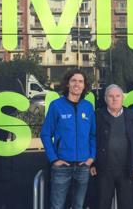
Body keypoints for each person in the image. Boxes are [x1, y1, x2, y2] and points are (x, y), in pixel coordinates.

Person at [40, 69, 96, 209]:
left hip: (83, 165)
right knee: (57, 206)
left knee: (79, 205)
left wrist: (91, 158)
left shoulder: (88, 107)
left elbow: (93, 135)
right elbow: (46, 134)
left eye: (80, 81)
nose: (77, 84)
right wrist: (54, 159)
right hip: (62, 166)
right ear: (67, 84)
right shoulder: (56, 106)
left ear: (84, 86)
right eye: (74, 81)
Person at [90, 84, 133, 209]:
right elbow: (90, 139)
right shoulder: (97, 116)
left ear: (122, 98)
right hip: (104, 168)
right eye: (111, 96)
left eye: (118, 96)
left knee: (127, 204)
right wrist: (92, 163)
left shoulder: (132, 116)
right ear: (105, 98)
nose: (114, 99)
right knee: (102, 204)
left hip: (126, 169)